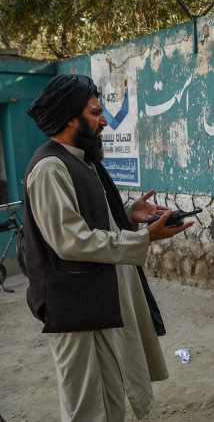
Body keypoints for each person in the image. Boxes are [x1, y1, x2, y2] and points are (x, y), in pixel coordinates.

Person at [23, 74, 193, 421]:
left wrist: (129, 214)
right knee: (88, 409)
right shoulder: (49, 169)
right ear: (71, 117)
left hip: (99, 303)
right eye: (96, 112)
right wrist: (144, 239)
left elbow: (91, 221)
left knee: (110, 404)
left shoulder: (81, 161)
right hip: (75, 312)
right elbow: (71, 240)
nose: (104, 121)